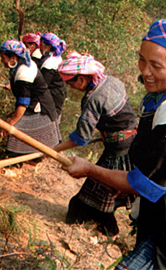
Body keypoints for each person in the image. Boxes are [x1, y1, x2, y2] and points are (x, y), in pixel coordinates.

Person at [61, 20, 166, 269]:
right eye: (142, 60)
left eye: (156, 65)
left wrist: (89, 169)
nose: (145, 71)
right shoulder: (161, 96)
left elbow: (145, 184)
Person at [54, 51, 138, 236]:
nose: (71, 87)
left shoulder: (92, 99)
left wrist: (54, 150)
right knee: (107, 193)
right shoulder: (111, 81)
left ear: (83, 78)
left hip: (119, 152)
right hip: (132, 142)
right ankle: (106, 229)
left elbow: (81, 138)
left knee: (88, 200)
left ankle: (108, 232)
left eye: (71, 82)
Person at [0, 40, 60, 157]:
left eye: (3, 57)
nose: (2, 61)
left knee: (16, 130)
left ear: (13, 57)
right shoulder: (20, 65)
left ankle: (20, 162)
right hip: (33, 105)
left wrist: (9, 124)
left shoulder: (25, 71)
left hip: (41, 110)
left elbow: (23, 103)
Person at [36, 32, 68, 118]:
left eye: (41, 44)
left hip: (53, 98)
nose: (40, 47)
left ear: (48, 47)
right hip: (57, 95)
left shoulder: (49, 63)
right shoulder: (54, 58)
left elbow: (43, 85)